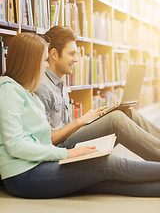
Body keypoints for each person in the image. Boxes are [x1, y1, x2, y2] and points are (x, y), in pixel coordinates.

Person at [1, 32, 160, 199]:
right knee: (107, 164)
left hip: (39, 164)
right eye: (44, 60)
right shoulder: (9, 91)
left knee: (107, 181)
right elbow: (16, 144)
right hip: (24, 175)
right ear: (30, 63)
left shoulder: (28, 94)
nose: (46, 66)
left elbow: (41, 138)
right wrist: (67, 154)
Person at [35, 26, 160, 162]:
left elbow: (66, 127)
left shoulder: (60, 84)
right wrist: (79, 122)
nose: (76, 59)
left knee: (127, 113)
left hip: (70, 138)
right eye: (71, 54)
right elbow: (47, 140)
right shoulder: (41, 87)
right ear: (54, 54)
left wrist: (90, 122)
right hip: (61, 149)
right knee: (116, 119)